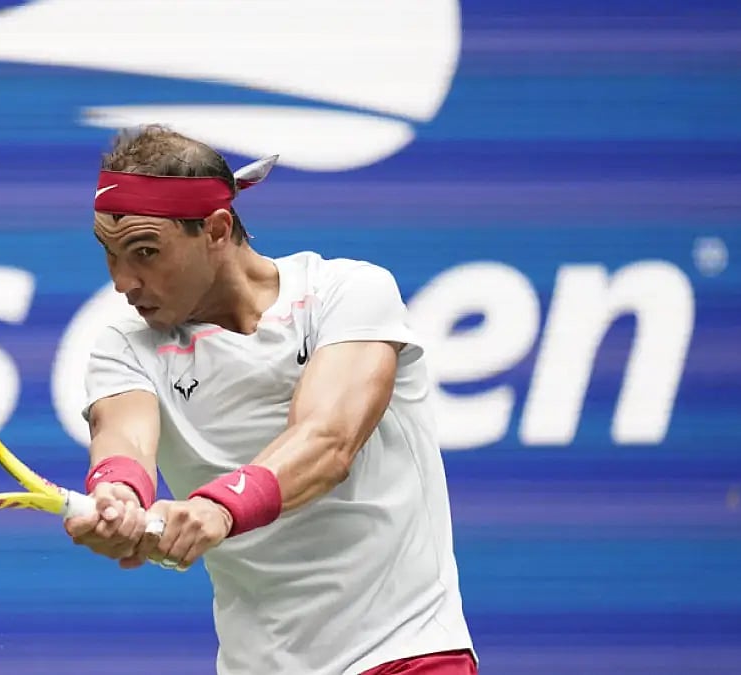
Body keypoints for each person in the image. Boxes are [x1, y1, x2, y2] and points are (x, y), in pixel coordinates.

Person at [64, 125, 477, 675]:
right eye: (110, 254)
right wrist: (118, 499)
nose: (122, 281)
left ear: (215, 229)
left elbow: (328, 442)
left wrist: (217, 507)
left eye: (144, 252)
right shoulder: (126, 346)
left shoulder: (347, 294)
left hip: (403, 650)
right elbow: (123, 441)